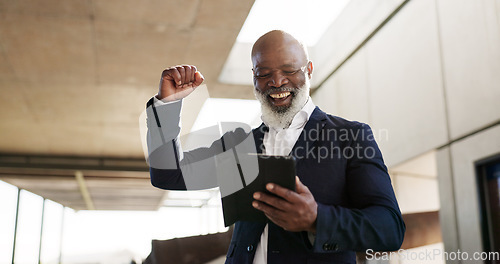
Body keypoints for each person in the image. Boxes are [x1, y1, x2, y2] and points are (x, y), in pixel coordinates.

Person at [145, 30, 405, 264]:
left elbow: (390, 229)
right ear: (254, 77)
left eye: (289, 69)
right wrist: (167, 106)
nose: (277, 81)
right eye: (264, 73)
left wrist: (317, 219)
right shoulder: (240, 143)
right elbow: (169, 173)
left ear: (309, 70)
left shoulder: (351, 136)